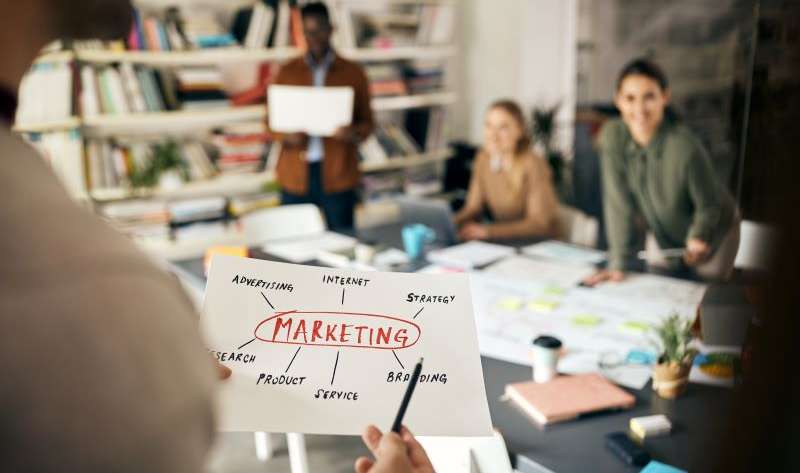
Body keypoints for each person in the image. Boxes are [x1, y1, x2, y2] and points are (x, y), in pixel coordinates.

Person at [585, 58, 740, 285]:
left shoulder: (684, 145)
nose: (639, 109)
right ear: (618, 100)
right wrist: (618, 262)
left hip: (713, 231)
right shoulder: (612, 136)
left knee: (702, 302)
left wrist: (699, 236)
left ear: (664, 97)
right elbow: (617, 203)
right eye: (630, 98)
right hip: (668, 237)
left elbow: (709, 203)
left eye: (649, 97)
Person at [269, 2, 374, 230]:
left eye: (319, 31)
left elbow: (367, 123)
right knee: (294, 246)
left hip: (338, 173)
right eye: (308, 32)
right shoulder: (287, 72)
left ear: (331, 29)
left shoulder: (353, 72)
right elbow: (269, 123)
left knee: (341, 242)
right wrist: (286, 136)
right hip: (295, 175)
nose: (313, 37)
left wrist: (352, 132)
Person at [454, 99, 560, 241]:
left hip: (539, 244)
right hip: (506, 242)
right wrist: (451, 222)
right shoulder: (483, 159)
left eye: (503, 127)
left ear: (520, 130)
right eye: (488, 126)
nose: (493, 135)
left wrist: (488, 232)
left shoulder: (534, 164)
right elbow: (473, 208)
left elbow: (539, 224)